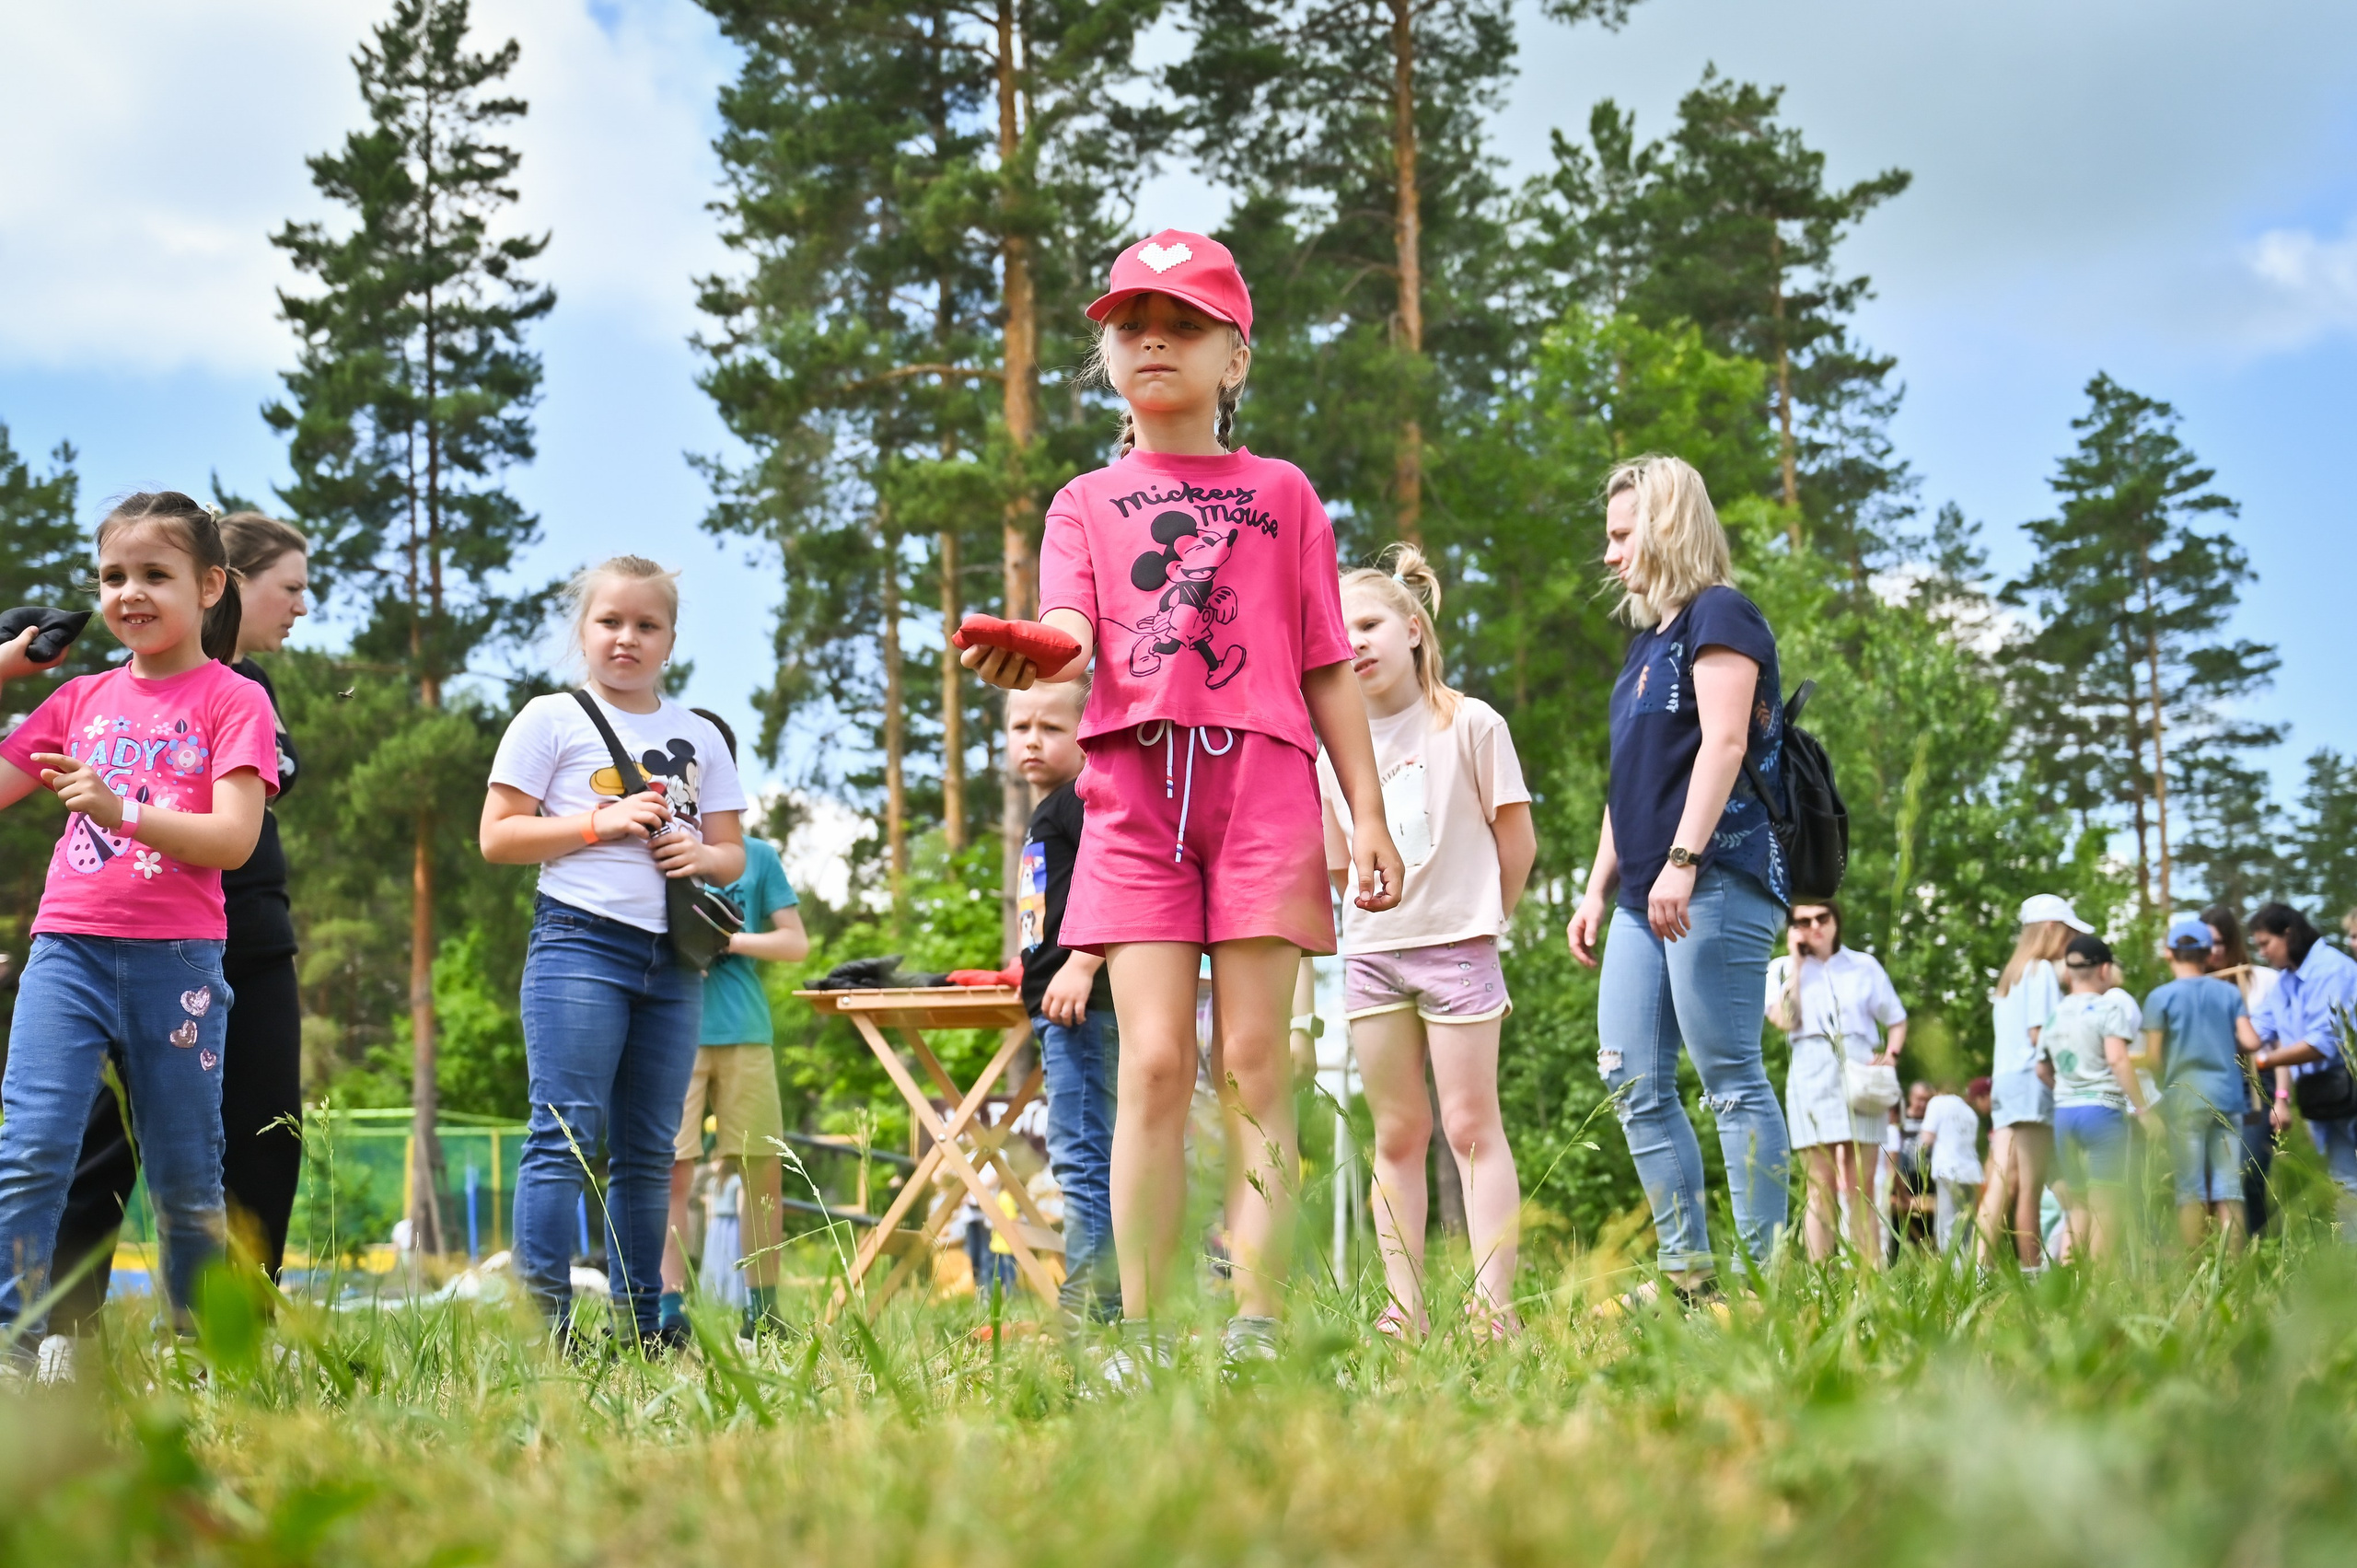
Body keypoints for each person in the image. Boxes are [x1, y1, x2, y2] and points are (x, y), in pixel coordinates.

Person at [958, 229, 1403, 1372]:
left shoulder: (1283, 493)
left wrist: (1368, 813)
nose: (1152, 338)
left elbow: (1321, 662)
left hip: (1259, 782)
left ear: (1234, 356)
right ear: (1108, 356)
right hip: (1134, 790)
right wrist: (1029, 648)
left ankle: (1255, 1322)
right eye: (1128, 323)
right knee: (1151, 1060)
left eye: (1184, 321)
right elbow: (1071, 631)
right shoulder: (1084, 501)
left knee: (1256, 1057)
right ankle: (1141, 1333)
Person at [0, 493, 280, 1354]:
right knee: (29, 1151)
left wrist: (123, 810)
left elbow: (233, 841)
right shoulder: (77, 698)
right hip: (67, 955)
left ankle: (201, 1349)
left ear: (209, 585)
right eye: (113, 575)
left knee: (188, 1177)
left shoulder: (235, 700)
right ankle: (9, 1342)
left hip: (179, 966)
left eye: (155, 574)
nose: (130, 593)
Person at [480, 556, 748, 1350]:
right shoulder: (549, 718)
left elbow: (733, 851)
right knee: (562, 1135)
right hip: (578, 945)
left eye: (646, 625)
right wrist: (601, 822)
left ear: (670, 639)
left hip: (674, 962)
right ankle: (547, 1327)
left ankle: (642, 1326)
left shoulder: (699, 732)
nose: (626, 638)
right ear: (582, 630)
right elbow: (498, 836)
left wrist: (700, 855)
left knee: (648, 1152)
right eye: (610, 622)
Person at [1567, 454, 1790, 1305]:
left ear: (1666, 527)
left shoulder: (1720, 614)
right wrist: (1596, 887)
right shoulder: (1643, 647)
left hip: (1717, 876)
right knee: (1632, 1082)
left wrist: (1684, 861)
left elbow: (1725, 745)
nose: (1611, 553)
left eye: (1624, 535)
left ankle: (1767, 1283)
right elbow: (1629, 778)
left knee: (1731, 1076)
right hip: (1639, 896)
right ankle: (1689, 1277)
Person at [1318, 544, 1536, 1339]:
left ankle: (1492, 1305)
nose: (1355, 643)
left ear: (1413, 628)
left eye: (1369, 623)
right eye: (1339, 634)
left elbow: (1518, 841)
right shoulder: (1329, 754)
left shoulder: (1470, 723)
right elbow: (1339, 863)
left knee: (1473, 1127)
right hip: (1373, 958)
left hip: (1460, 954)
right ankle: (1403, 1307)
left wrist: (1483, 918)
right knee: (1397, 1135)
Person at [655, 709, 807, 1342]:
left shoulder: (759, 857)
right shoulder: (651, 845)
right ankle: (667, 1313)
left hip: (744, 1031)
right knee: (672, 1173)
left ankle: (763, 1312)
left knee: (759, 1172)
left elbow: (794, 944)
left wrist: (730, 939)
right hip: (672, 1030)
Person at [1010, 676, 1122, 1323]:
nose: (1032, 739)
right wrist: (1030, 958)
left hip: (1087, 1006)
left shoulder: (1083, 798)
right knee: (1084, 1151)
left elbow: (1116, 876)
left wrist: (1081, 962)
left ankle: (1096, 1303)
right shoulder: (1052, 805)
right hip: (1062, 1001)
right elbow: (1052, 904)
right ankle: (1106, 1294)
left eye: (1051, 727)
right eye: (1021, 726)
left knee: (1083, 1155)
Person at [1765, 900, 1908, 1265]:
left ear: (1835, 921)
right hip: (1810, 1066)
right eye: (1803, 920)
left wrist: (1891, 1054)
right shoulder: (1780, 969)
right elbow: (1784, 1021)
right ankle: (1822, 1278)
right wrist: (1797, 965)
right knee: (1820, 1183)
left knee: (1862, 1181)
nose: (1814, 926)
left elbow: (1896, 1019)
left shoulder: (1864, 965)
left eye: (1822, 918)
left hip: (1860, 1066)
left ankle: (1869, 1274)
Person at [1978, 895, 2086, 1273]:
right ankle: (2032, 1273)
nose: (2071, 944)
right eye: (2070, 934)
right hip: (2031, 1082)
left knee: (2002, 1182)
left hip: (2006, 1083)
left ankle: (1978, 1266)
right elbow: (2040, 1034)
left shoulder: (2012, 975)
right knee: (2031, 1185)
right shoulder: (2040, 971)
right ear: (2052, 928)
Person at [2145, 914, 2257, 1252]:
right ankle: (2236, 1275)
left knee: (2189, 1189)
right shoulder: (2228, 992)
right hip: (2228, 1096)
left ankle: (2191, 1274)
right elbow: (2250, 1041)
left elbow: (2151, 1058)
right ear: (2209, 954)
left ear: (2168, 953)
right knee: (2229, 1188)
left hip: (2185, 1100)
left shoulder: (2159, 997)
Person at [2245, 903, 2357, 1232]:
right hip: (2325, 1097)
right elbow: (2257, 1030)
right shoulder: (2285, 982)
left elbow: (2322, 1043)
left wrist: (2263, 1061)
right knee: (2345, 1180)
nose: (2262, 953)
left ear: (2288, 934)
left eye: (2266, 943)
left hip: (2348, 1088)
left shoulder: (2333, 970)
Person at [2044, 934, 2153, 1262]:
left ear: (2068, 972)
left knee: (2077, 1205)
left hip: (2064, 1115)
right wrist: (2143, 1108)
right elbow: (2118, 1060)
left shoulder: (2054, 1014)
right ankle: (2097, 1294)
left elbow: (2040, 1069)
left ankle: (2069, 1281)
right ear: (2104, 970)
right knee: (2106, 1205)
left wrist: (2068, 1090)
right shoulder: (2109, 1008)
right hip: (2101, 1113)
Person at [2203, 905, 2286, 1235]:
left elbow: (2280, 1044)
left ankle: (2260, 1258)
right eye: (2205, 943)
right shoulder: (2194, 988)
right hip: (2210, 1085)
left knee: (2249, 1172)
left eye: (2219, 942)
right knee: (2213, 1184)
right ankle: (2224, 1265)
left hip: (2256, 1083)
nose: (2212, 951)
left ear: (2233, 941)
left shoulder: (2263, 980)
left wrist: (2281, 1099)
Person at [1918, 1079, 1988, 1254]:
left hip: (1947, 1169)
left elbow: (1926, 1139)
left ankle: (1952, 1274)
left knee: (1946, 1226)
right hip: (1972, 1172)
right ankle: (1970, 1271)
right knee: (1966, 1225)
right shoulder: (1969, 1111)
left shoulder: (1937, 1103)